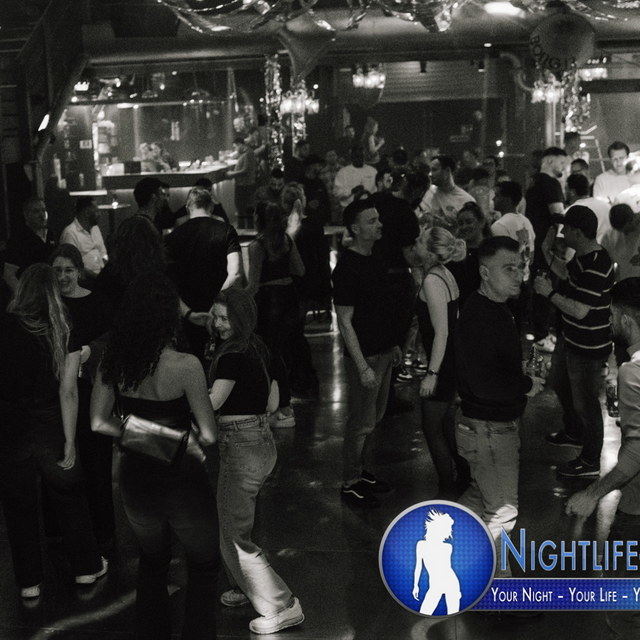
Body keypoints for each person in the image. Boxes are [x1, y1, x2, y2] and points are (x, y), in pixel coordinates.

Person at [90, 272, 219, 640]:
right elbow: (209, 434)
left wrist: (147, 436)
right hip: (182, 479)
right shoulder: (186, 365)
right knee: (204, 565)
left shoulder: (113, 360)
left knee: (152, 561)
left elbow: (98, 422)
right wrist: (174, 440)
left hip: (135, 474)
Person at [0, 264, 107, 599]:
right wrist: (71, 440)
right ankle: (86, 568)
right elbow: (68, 390)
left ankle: (29, 582)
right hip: (49, 421)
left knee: (18, 504)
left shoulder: (5, 324)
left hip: (11, 425)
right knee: (69, 496)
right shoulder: (62, 327)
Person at [208, 287, 305, 635]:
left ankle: (282, 605)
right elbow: (274, 401)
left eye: (224, 318)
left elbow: (212, 402)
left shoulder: (231, 356)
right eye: (215, 317)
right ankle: (244, 585)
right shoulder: (258, 346)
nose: (218, 324)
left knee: (233, 534)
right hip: (260, 442)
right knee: (236, 525)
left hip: (241, 445)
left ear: (241, 318)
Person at [455, 236, 542, 576]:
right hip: (488, 429)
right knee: (502, 512)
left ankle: (450, 554)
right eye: (508, 269)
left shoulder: (496, 307)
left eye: (520, 268)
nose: (518, 275)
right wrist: (526, 385)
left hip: (484, 427)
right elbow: (485, 384)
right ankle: (496, 588)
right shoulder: (479, 317)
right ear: (485, 272)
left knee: (480, 497)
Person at [566, 277, 640, 640]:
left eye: (611, 315)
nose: (609, 321)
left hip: (637, 510)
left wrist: (592, 494)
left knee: (625, 609)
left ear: (625, 318)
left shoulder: (633, 371)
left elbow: (637, 451)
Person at [332, 197, 402, 507]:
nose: (379, 224)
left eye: (378, 219)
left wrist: (393, 344)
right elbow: (344, 321)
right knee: (360, 422)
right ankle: (350, 481)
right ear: (356, 228)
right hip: (367, 357)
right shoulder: (347, 267)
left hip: (382, 352)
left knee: (373, 418)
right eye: (372, 221)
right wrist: (361, 366)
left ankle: (361, 472)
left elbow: (382, 309)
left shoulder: (375, 257)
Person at [535, 206, 614, 477]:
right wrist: (545, 250)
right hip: (572, 338)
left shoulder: (597, 264)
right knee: (558, 382)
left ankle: (590, 462)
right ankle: (574, 431)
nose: (562, 233)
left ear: (578, 233)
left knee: (587, 404)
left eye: (566, 229)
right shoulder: (582, 257)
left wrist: (548, 294)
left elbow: (580, 310)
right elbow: (566, 274)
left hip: (589, 345)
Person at [50, 244, 115, 547]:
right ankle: (63, 534)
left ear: (78, 271)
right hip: (58, 395)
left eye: (68, 270)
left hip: (92, 392)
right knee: (62, 464)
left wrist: (92, 351)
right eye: (57, 270)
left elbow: (115, 338)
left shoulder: (98, 302)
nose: (62, 276)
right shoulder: (49, 304)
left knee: (96, 463)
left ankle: (102, 533)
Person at [415, 227, 468, 499]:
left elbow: (442, 331)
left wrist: (432, 373)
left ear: (429, 251)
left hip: (443, 363)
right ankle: (463, 476)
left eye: (420, 240)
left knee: (431, 426)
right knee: (446, 423)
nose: (415, 243)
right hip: (451, 360)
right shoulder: (445, 274)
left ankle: (447, 487)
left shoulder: (433, 281)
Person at [165, 186, 242, 362]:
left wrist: (188, 313)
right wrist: (215, 307)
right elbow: (236, 273)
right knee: (223, 362)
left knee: (191, 363)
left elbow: (167, 283)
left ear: (187, 208)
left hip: (187, 315)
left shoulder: (172, 237)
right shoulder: (226, 230)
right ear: (211, 207)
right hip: (222, 313)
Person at [247, 202, 304, 427]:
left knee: (270, 354)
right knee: (281, 351)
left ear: (258, 219)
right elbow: (300, 270)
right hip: (289, 297)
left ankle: (282, 406)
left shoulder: (257, 246)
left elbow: (253, 284)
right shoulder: (286, 240)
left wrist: (236, 301)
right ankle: (281, 405)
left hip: (269, 301)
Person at [525, 146, 567, 352]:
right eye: (562, 162)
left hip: (535, 242)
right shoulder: (550, 183)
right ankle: (542, 336)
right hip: (547, 245)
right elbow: (558, 215)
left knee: (538, 287)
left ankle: (540, 333)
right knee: (546, 287)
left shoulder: (533, 183)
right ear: (549, 161)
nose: (564, 167)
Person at [3, 196, 56, 292]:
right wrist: (23, 294)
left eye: (43, 210)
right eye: (36, 211)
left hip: (50, 288)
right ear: (26, 215)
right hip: (31, 290)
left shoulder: (50, 234)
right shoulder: (18, 239)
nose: (41, 215)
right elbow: (8, 274)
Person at [412, 510, 460, 615]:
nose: (449, 532)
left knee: (453, 614)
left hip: (450, 583)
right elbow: (418, 567)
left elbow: (446, 568)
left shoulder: (448, 547)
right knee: (425, 612)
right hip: (436, 585)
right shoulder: (421, 545)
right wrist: (415, 585)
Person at [416, 155, 475, 229]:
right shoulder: (425, 192)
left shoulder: (466, 200)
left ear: (447, 171)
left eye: (434, 170)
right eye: (429, 170)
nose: (430, 174)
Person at [448, 201, 487, 308]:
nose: (464, 227)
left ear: (481, 222)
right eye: (460, 223)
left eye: (469, 222)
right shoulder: (455, 254)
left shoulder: (491, 250)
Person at [59, 196, 108, 277]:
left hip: (101, 275)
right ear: (87, 213)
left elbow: (103, 253)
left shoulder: (95, 228)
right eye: (96, 211)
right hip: (85, 279)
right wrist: (95, 277)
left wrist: (106, 271)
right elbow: (72, 265)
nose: (100, 214)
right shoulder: (70, 233)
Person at [601, 203, 640, 283]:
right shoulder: (610, 236)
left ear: (632, 219)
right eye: (620, 231)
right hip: (625, 283)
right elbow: (605, 264)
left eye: (626, 229)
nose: (624, 233)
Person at [566, 173, 611, 242]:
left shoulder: (569, 212)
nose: (564, 192)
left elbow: (562, 242)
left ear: (572, 192)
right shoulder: (607, 207)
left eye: (566, 189)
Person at [334, 146, 377, 211]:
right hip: (349, 209)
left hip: (369, 209)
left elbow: (378, 190)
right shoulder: (343, 172)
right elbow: (337, 193)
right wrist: (351, 191)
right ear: (351, 157)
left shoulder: (373, 171)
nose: (359, 159)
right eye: (356, 156)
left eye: (361, 156)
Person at [227, 136, 257, 229]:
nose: (235, 149)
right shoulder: (246, 153)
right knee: (244, 207)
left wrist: (232, 174)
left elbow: (245, 170)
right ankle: (244, 227)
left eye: (235, 147)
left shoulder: (248, 153)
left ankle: (244, 228)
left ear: (240, 144)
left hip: (245, 185)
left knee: (242, 207)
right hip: (245, 184)